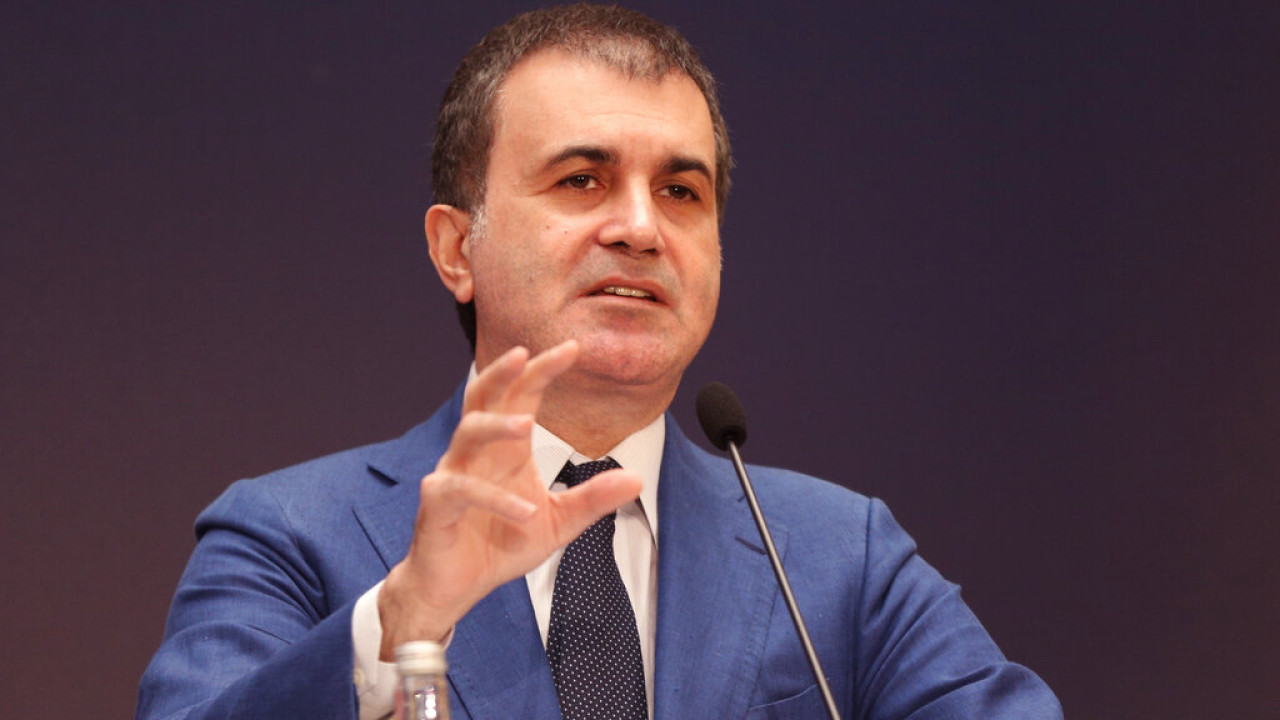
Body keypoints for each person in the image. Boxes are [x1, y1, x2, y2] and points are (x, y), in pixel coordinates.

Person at [136, 5, 1062, 719]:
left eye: (682, 191)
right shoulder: (289, 535)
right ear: (456, 248)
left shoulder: (837, 556)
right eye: (582, 180)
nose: (641, 227)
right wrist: (407, 617)